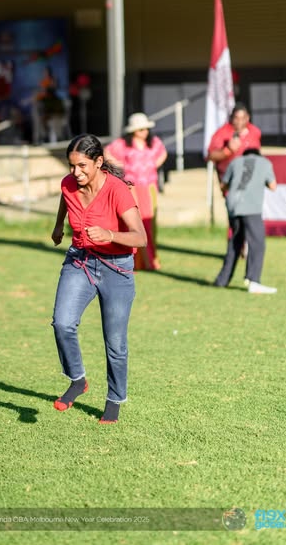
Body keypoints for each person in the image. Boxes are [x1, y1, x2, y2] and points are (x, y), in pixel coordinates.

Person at [51, 133, 146, 424]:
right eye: (71, 166)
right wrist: (59, 226)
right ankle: (78, 380)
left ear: (98, 162)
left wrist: (110, 235)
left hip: (116, 268)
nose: (75, 172)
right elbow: (65, 198)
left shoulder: (117, 190)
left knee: (115, 343)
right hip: (80, 261)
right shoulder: (69, 183)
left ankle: (114, 399)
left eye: (82, 166)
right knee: (62, 323)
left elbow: (140, 237)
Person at [105, 112, 167, 270]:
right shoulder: (123, 144)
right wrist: (121, 166)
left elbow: (163, 153)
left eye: (145, 129)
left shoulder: (153, 142)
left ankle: (151, 260)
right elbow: (107, 153)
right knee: (134, 222)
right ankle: (136, 260)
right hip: (132, 188)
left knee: (149, 223)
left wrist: (153, 165)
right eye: (140, 129)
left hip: (149, 187)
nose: (144, 132)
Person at [213, 148, 277, 294]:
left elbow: (223, 185)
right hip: (251, 206)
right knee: (257, 243)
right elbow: (273, 186)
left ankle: (222, 280)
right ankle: (254, 280)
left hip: (233, 205)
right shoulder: (264, 162)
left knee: (235, 242)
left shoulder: (235, 162)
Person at [206, 102, 262, 181]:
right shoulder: (222, 133)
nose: (240, 121)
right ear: (232, 118)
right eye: (237, 118)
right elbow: (211, 155)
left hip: (251, 173)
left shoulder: (255, 131)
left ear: (248, 118)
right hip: (230, 175)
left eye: (243, 118)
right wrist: (228, 150)